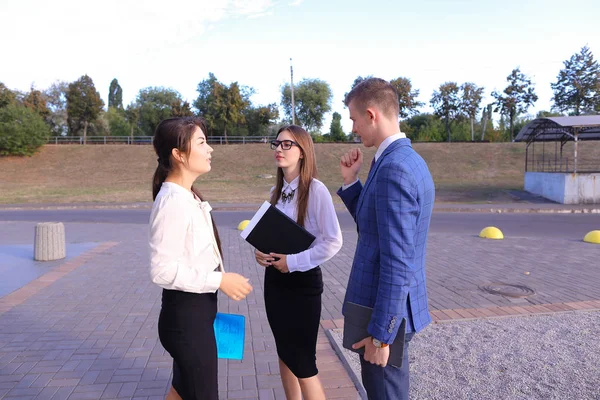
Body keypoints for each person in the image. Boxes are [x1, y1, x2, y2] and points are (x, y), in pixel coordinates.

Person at [337, 78, 435, 400]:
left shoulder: (394, 168)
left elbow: (397, 261)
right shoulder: (405, 160)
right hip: (391, 306)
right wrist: (352, 183)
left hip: (385, 312)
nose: (353, 128)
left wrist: (381, 336)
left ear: (371, 114)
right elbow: (377, 229)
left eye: (353, 119)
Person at [148, 117, 253, 400]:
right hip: (185, 319)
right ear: (179, 154)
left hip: (196, 313)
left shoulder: (187, 195)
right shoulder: (173, 201)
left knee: (181, 391)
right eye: (202, 142)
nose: (211, 149)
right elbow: (161, 271)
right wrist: (219, 279)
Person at [254, 125, 343, 400]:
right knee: (284, 354)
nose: (279, 149)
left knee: (304, 364)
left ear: (303, 152)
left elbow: (333, 241)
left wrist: (293, 262)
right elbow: (272, 236)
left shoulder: (316, 191)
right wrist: (261, 253)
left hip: (302, 285)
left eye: (287, 145)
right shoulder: (275, 191)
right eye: (277, 144)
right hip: (275, 284)